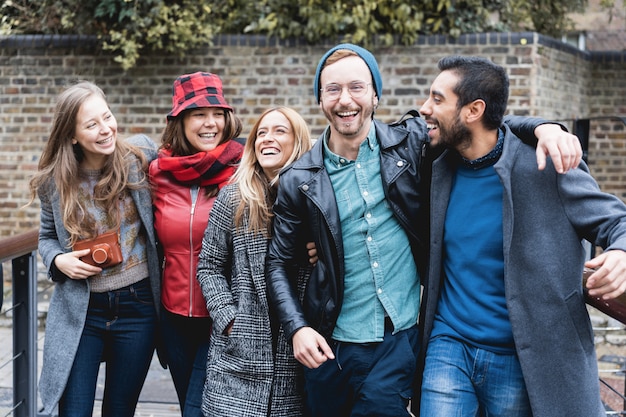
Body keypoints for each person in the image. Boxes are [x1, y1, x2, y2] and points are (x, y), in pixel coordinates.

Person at [264, 43, 584, 417]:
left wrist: (544, 127)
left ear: (375, 95)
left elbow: (478, 121)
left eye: (357, 87)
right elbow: (277, 264)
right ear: (320, 99)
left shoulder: (412, 143)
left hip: (396, 339)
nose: (345, 100)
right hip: (328, 344)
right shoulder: (298, 178)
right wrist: (297, 327)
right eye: (332, 89)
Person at [417, 55, 626, 417]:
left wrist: (621, 252)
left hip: (520, 356)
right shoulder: (437, 162)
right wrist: (544, 124)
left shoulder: (546, 164)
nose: (424, 108)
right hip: (448, 343)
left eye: (437, 99)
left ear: (473, 110)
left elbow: (617, 221)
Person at [30, 81, 162, 417]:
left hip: (139, 306)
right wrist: (59, 260)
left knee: (120, 411)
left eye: (107, 117)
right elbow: (46, 237)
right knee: (72, 411)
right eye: (92, 124)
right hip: (81, 309)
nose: (106, 129)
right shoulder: (54, 181)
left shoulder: (140, 156)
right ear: (72, 135)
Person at [196, 106, 313, 416]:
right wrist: (230, 320)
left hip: (295, 362)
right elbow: (209, 265)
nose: (267, 139)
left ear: (298, 141)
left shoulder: (317, 198)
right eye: (261, 133)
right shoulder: (234, 197)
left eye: (279, 131)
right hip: (237, 360)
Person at [149, 71, 245, 416]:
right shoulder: (157, 173)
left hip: (221, 316)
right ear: (180, 121)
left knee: (199, 410)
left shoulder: (243, 170)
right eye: (199, 114)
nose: (211, 123)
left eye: (217, 113)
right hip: (173, 319)